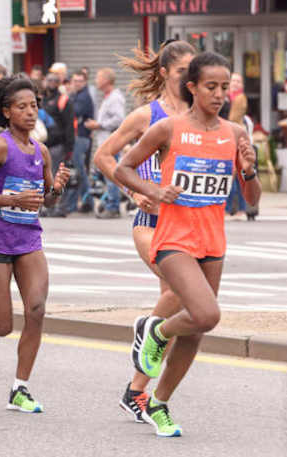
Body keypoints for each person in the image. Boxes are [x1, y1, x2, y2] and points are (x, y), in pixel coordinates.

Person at [114, 51, 261, 436]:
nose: (218, 94)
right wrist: (154, 190)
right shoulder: (169, 128)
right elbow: (123, 166)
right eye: (211, 87)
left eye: (224, 87)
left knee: (196, 329)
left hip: (212, 241)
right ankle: (156, 331)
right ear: (192, 87)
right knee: (208, 314)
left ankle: (159, 402)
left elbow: (253, 199)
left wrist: (249, 169)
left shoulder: (235, 134)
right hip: (173, 238)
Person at [93, 40, 196, 424]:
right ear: (167, 72)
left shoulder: (200, 116)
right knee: (178, 291)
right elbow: (104, 156)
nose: (190, 77)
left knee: (180, 304)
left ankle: (135, 390)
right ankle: (146, 335)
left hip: (187, 223)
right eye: (184, 69)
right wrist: (134, 191)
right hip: (150, 221)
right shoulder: (145, 116)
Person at [0, 75, 69, 413]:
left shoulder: (42, 151)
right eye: (21, 107)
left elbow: (45, 201)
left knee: (36, 309)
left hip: (28, 237)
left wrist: (57, 189)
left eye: (33, 105)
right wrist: (10, 200)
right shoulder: (0, 146)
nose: (30, 112)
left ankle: (20, 388)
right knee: (2, 326)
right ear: (7, 112)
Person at [85, 68, 126, 219]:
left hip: (112, 143)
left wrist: (99, 124)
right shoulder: (108, 97)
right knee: (108, 175)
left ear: (106, 80)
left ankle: (113, 207)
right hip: (106, 142)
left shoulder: (115, 98)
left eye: (98, 77)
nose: (96, 80)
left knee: (112, 175)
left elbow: (119, 119)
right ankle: (110, 202)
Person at [41, 72, 74, 217]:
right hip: (43, 145)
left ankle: (61, 206)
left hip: (57, 146)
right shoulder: (41, 100)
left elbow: (69, 126)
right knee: (46, 178)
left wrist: (69, 149)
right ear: (45, 81)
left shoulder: (63, 100)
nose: (52, 83)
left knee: (57, 177)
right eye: (49, 80)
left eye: (55, 81)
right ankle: (48, 206)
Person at [65, 71, 95, 214]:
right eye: (75, 81)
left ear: (84, 82)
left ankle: (88, 200)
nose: (77, 83)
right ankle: (81, 201)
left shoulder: (83, 97)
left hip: (81, 138)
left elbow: (73, 112)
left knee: (80, 171)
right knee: (77, 171)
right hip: (77, 137)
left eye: (80, 81)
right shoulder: (75, 95)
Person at [225, 72, 249, 217]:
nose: (235, 84)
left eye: (238, 81)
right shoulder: (225, 98)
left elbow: (233, 119)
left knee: (234, 174)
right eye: (233, 81)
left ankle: (232, 209)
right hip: (230, 137)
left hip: (234, 139)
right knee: (235, 175)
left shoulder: (239, 99)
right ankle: (238, 209)